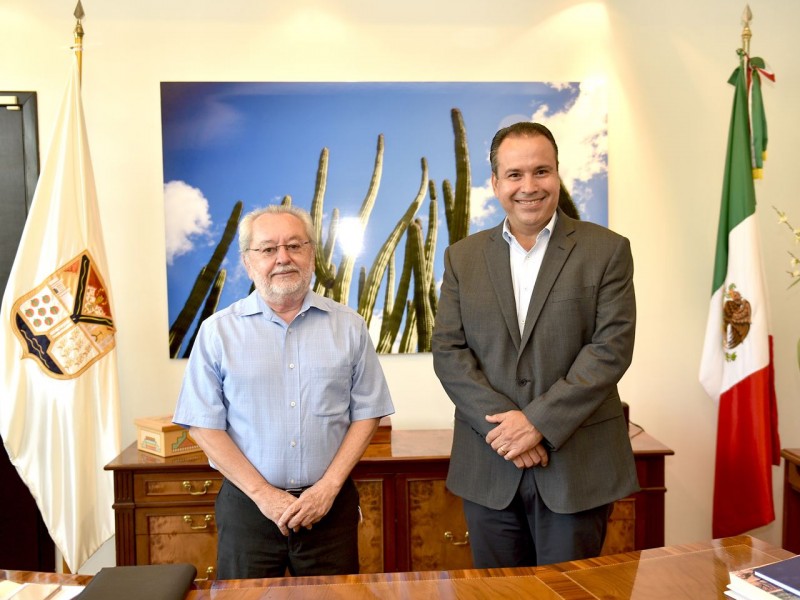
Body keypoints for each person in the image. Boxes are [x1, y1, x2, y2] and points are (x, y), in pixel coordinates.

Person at [431, 121, 638, 568]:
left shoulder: (607, 251)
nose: (529, 186)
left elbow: (610, 350)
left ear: (558, 175)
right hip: (489, 466)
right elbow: (449, 352)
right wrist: (508, 433)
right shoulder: (463, 258)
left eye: (541, 172)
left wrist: (538, 423)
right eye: (515, 174)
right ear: (495, 183)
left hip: (577, 469)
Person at [173, 205, 394, 579]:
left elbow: (368, 412)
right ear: (247, 261)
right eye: (268, 249)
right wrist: (264, 494)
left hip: (328, 507)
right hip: (248, 508)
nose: (283, 258)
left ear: (311, 254)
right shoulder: (217, 332)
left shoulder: (350, 327)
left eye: (294, 245)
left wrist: (327, 488)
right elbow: (203, 425)